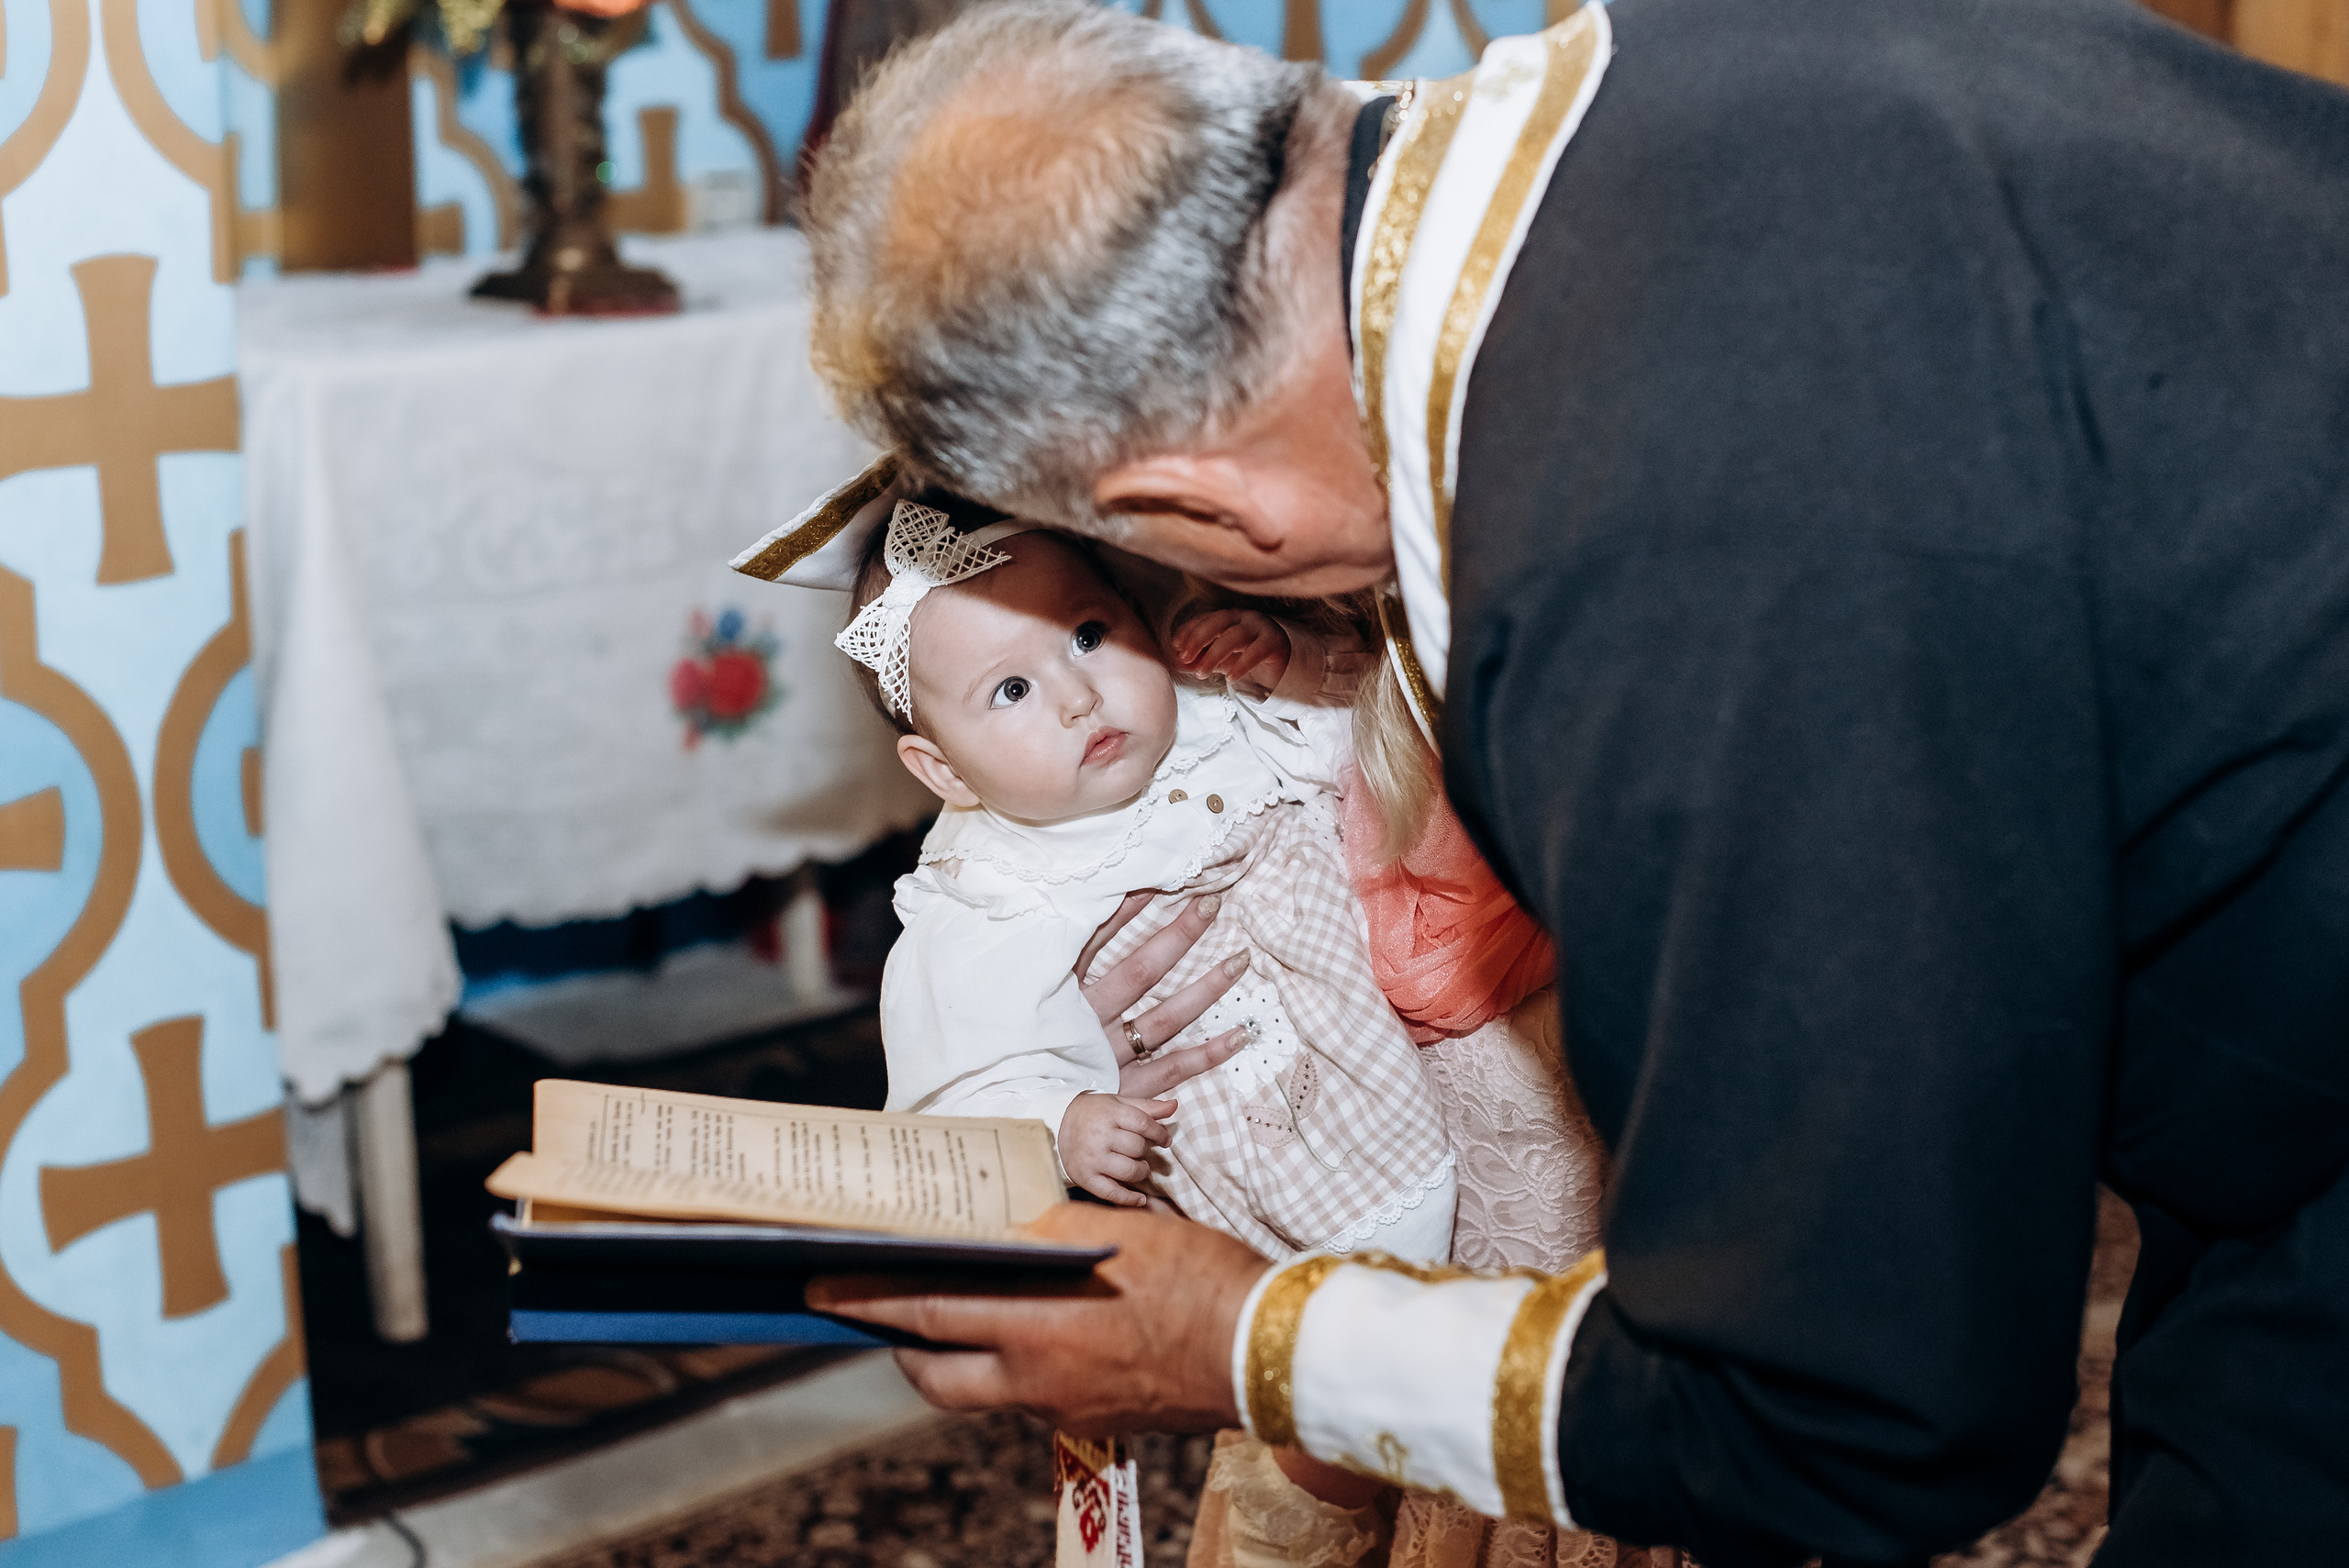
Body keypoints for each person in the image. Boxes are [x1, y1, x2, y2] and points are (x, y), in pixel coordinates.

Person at [751, 0, 2349, 1562]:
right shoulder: (1673, 67)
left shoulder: (1647, 558)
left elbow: (1857, 1399)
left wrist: (1238, 1334)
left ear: (1197, 511)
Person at [737, 478, 1457, 1560]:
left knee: (1444, 1399)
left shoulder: (1217, 716)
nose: (1079, 697)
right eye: (1012, 688)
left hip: (1417, 1113)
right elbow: (958, 1084)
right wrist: (1063, 1116)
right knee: (1336, 1440)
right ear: (943, 771)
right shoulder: (989, 893)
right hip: (1275, 1210)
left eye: (1088, 632)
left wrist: (1282, 665)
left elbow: (1362, 746)